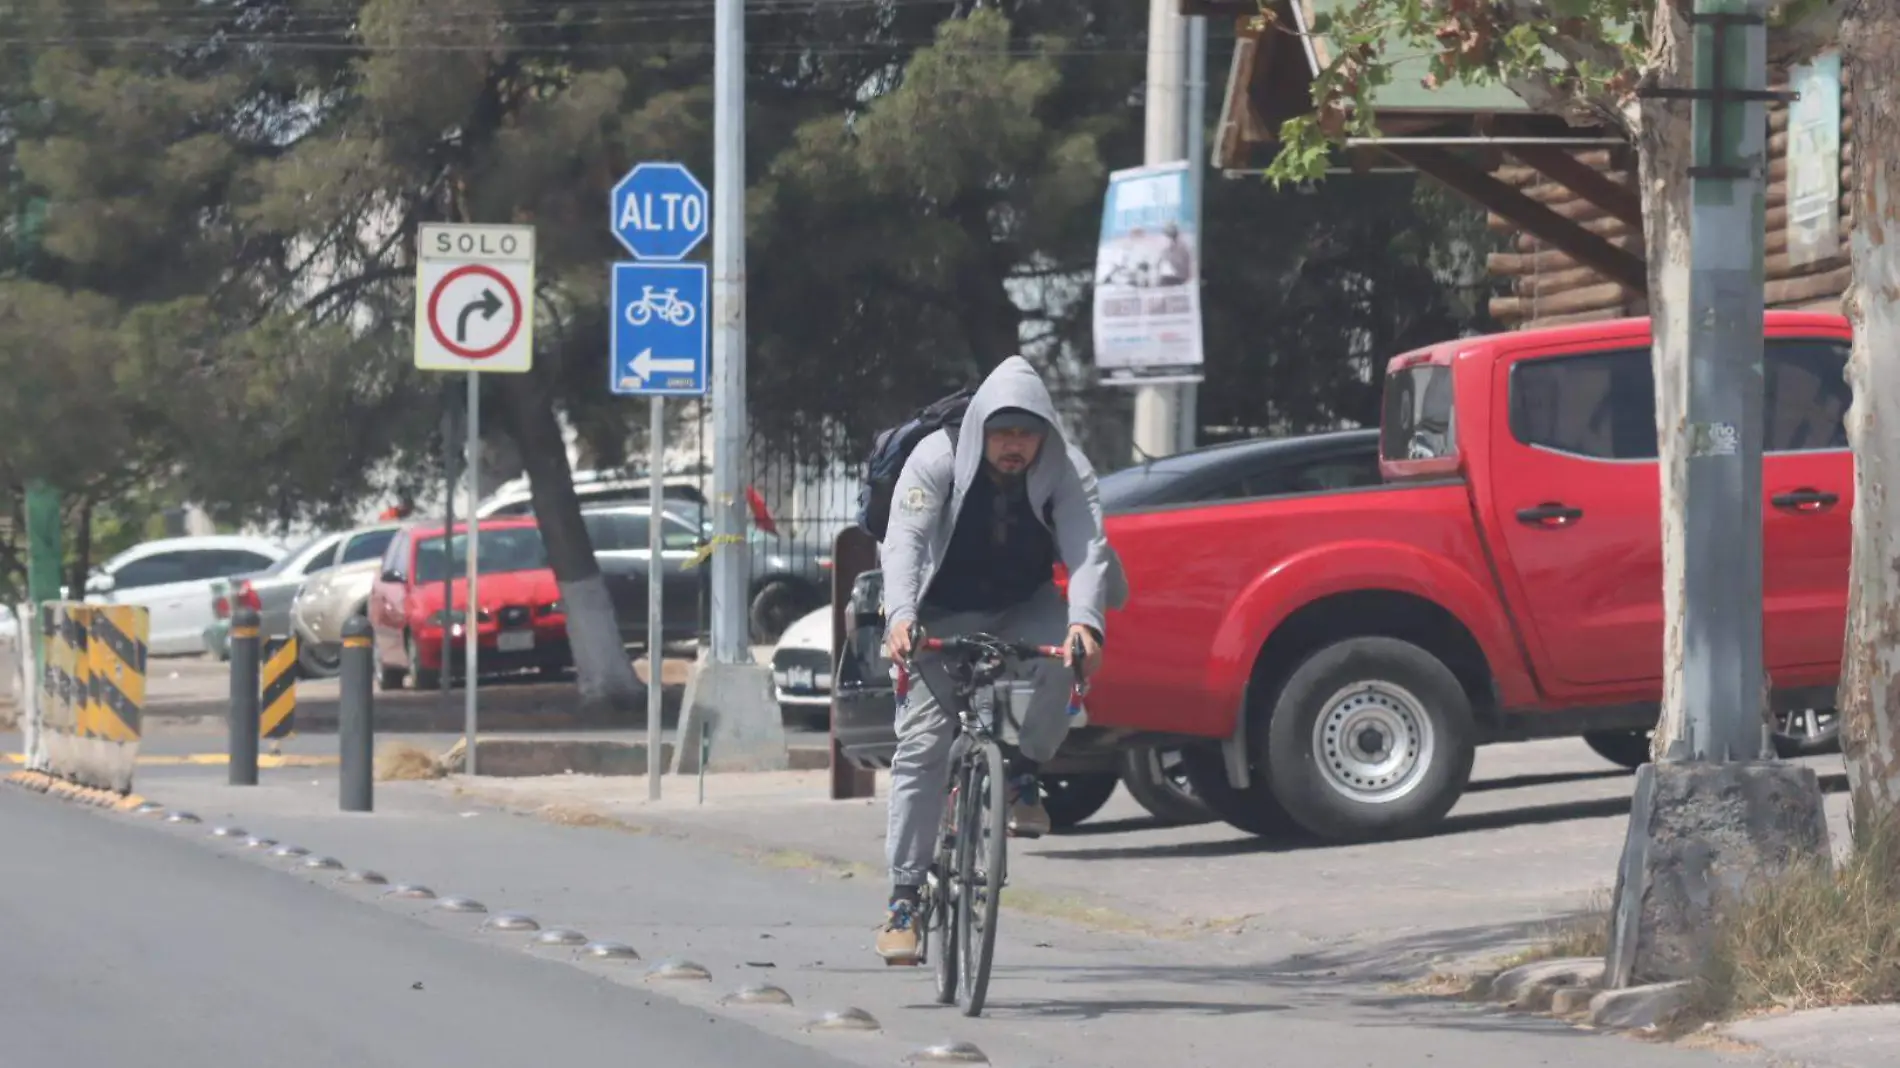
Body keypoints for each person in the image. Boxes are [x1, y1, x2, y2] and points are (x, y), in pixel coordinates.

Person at [873, 355, 1126, 964]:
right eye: (1003, 433)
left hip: (1024, 602)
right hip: (939, 608)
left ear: (1046, 431)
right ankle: (904, 900)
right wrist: (901, 616)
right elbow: (903, 539)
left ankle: (1021, 772)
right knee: (922, 747)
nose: (1015, 447)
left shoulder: (1067, 468)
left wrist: (1085, 626)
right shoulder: (935, 457)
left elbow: (1088, 550)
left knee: (1064, 661)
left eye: (1027, 433)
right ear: (982, 426)